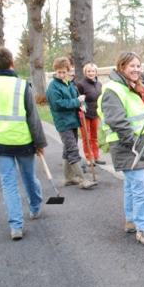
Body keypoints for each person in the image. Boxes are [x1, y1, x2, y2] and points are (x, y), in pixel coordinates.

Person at [0, 47, 48, 240]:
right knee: (29, 177)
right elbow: (33, 119)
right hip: (24, 142)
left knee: (9, 183)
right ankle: (35, 208)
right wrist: (40, 143)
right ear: (12, 63)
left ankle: (16, 226)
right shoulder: (22, 86)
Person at [97, 52, 144, 246]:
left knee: (132, 185)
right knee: (141, 186)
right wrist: (132, 143)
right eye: (132, 66)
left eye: (138, 66)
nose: (136, 69)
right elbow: (117, 121)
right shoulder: (113, 89)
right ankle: (142, 229)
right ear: (121, 67)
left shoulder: (131, 87)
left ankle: (132, 220)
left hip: (136, 143)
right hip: (128, 144)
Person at [46, 57, 97, 189]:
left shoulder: (70, 84)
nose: (62, 74)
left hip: (73, 121)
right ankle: (83, 179)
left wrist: (83, 104)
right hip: (63, 123)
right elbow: (58, 105)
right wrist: (76, 102)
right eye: (59, 72)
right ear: (55, 71)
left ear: (68, 71)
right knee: (73, 150)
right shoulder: (53, 87)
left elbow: (78, 98)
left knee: (67, 150)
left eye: (64, 72)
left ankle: (69, 178)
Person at [76, 63, 106, 166]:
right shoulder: (81, 84)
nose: (91, 73)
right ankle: (89, 158)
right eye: (89, 71)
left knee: (94, 137)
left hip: (95, 114)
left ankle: (97, 156)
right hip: (84, 114)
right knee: (86, 138)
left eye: (93, 71)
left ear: (96, 72)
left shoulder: (99, 84)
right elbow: (77, 98)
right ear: (85, 72)